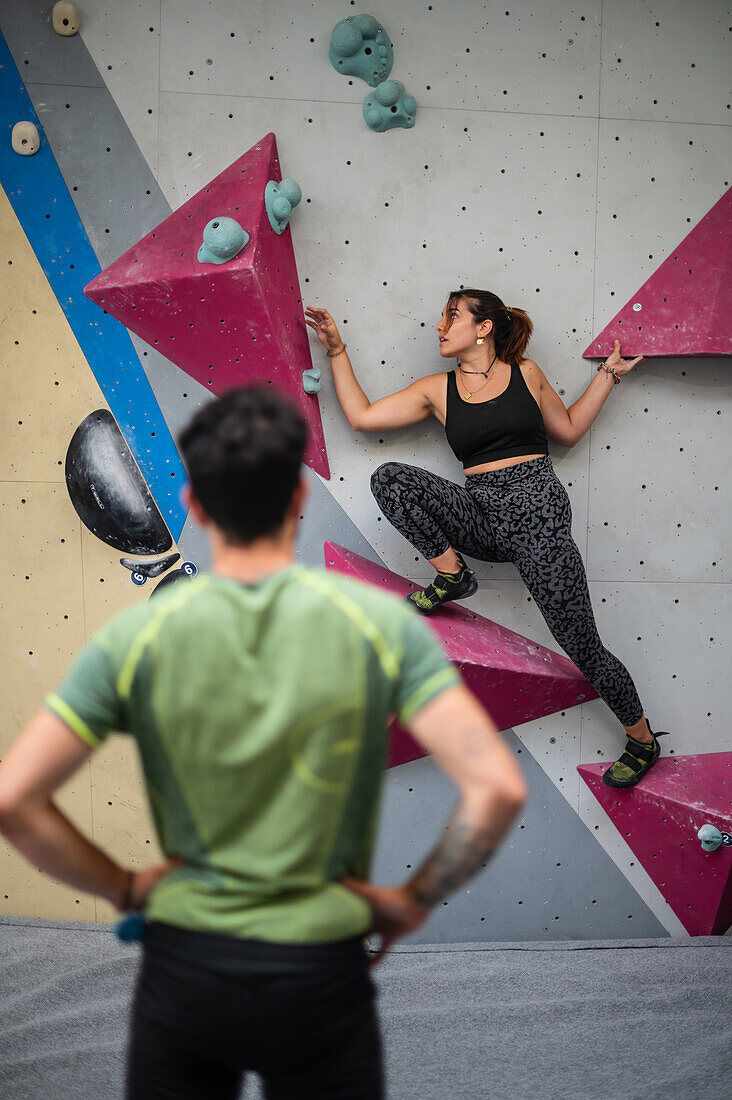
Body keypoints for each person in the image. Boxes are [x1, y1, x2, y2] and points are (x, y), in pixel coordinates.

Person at [0, 386, 526, 1100]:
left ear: (197, 503)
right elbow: (496, 788)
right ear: (296, 502)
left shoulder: (139, 636)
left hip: (188, 970)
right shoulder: (381, 626)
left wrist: (122, 887)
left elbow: (16, 800)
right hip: (319, 972)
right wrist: (410, 899)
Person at [305, 292, 669, 790]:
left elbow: (567, 429)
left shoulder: (527, 374)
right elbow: (363, 417)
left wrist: (607, 375)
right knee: (390, 479)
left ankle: (643, 740)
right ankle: (453, 575)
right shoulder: (439, 389)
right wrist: (336, 350)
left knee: (585, 649)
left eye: (450, 316)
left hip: (540, 520)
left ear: (483, 328)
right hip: (484, 517)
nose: (438, 325)